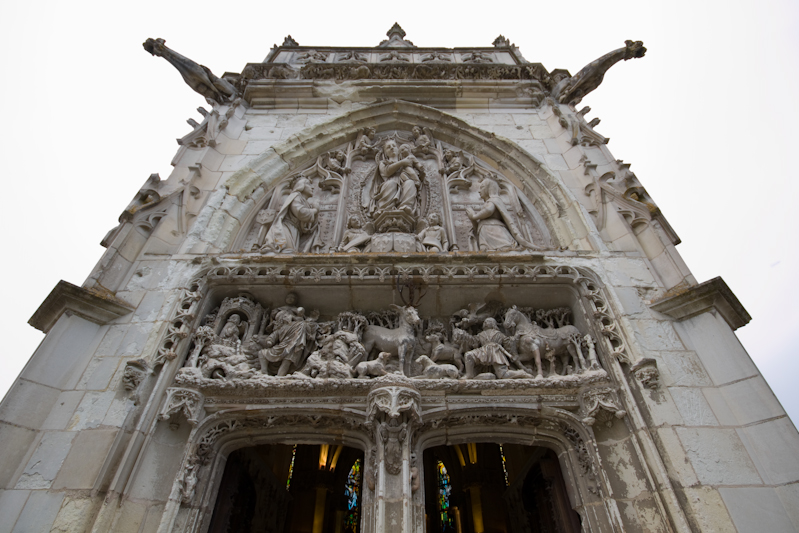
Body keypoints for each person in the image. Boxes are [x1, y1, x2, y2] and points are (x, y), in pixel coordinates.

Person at [466, 178, 539, 251]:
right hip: (485, 233)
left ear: (489, 188)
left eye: (482, 187)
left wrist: (474, 216)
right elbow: (477, 226)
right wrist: (472, 218)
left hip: (494, 231)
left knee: (505, 249)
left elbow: (489, 210)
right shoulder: (489, 202)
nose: (479, 191)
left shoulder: (494, 200)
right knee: (485, 251)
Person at [260, 176, 320, 253]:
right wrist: (315, 210)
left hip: (295, 230)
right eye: (308, 184)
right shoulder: (296, 196)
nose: (312, 187)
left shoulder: (304, 202)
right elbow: (300, 212)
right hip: (287, 228)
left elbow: (307, 227)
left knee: (290, 252)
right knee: (286, 251)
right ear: (301, 185)